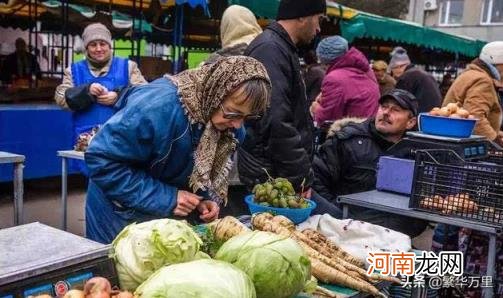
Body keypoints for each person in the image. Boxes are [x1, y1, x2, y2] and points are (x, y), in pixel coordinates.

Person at [84, 56, 271, 243]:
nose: (238, 125)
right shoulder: (157, 107)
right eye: (232, 113)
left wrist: (201, 200)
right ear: (216, 93)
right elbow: (101, 160)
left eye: (247, 117)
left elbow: (195, 172)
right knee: (115, 270)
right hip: (117, 212)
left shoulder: (229, 130)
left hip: (161, 217)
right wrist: (168, 199)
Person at [238, 0, 325, 195]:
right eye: (318, 19)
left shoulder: (279, 48)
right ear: (302, 16)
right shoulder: (271, 49)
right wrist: (299, 178)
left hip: (277, 173)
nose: (319, 28)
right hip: (271, 178)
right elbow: (276, 120)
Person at [312, 89, 427, 237]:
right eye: (383, 107)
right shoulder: (348, 141)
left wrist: (404, 230)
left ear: (410, 122)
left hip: (394, 238)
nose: (386, 112)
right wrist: (340, 218)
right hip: (346, 232)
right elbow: (316, 178)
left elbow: (424, 200)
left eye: (395, 110)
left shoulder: (417, 152)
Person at [54, 23, 146, 143]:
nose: (98, 49)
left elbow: (145, 96)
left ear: (109, 45)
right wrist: (86, 92)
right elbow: (61, 99)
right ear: (86, 48)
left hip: (120, 139)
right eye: (93, 45)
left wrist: (120, 97)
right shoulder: (73, 70)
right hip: (84, 140)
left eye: (102, 44)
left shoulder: (128, 67)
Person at [443, 41, 503, 145]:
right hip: (464, 144)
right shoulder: (483, 80)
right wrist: (496, 142)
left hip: (453, 138)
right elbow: (476, 118)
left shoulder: (472, 74)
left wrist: (496, 133)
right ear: (500, 63)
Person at [310, 35, 379, 124]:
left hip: (349, 133)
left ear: (326, 61)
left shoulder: (334, 78)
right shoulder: (366, 71)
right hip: (367, 130)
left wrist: (315, 108)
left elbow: (326, 119)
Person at [389, 46, 442, 113]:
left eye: (393, 69)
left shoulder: (406, 77)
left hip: (420, 116)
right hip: (433, 114)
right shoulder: (418, 73)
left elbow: (398, 102)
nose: (393, 74)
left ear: (399, 67)